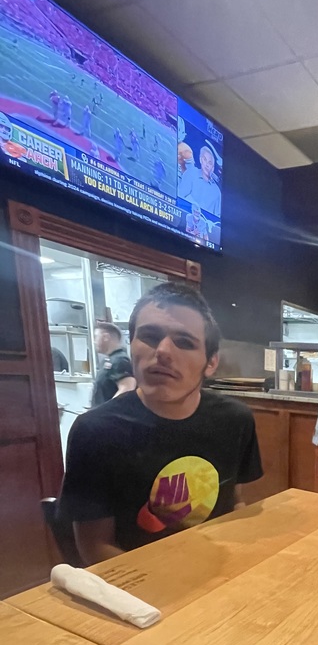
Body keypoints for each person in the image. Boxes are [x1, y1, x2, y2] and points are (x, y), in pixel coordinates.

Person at [60, 283, 262, 564]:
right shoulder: (94, 432)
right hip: (140, 583)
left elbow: (234, 502)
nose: (164, 351)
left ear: (211, 362)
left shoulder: (235, 420)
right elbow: (96, 547)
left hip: (219, 567)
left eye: (185, 342)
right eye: (150, 336)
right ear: (131, 346)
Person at [91, 322, 136, 407]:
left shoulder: (120, 360)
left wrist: (105, 411)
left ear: (105, 337)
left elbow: (127, 388)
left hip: (110, 415)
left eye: (96, 337)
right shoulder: (108, 360)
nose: (94, 342)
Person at [177, 144, 221, 216]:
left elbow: (217, 218)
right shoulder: (191, 173)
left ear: (212, 168)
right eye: (205, 159)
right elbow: (179, 196)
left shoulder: (217, 192)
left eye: (210, 163)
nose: (207, 165)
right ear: (200, 160)